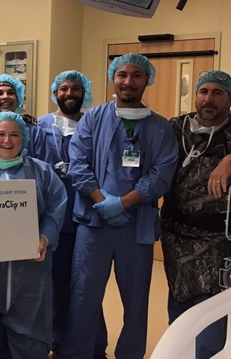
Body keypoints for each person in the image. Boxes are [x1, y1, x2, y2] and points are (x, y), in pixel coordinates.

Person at [60, 53, 178, 359]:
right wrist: (102, 202)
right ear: (113, 77)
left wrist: (123, 203)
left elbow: (161, 175)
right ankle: (77, 354)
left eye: (136, 75)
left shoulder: (162, 128)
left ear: (146, 80)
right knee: (83, 298)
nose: (128, 81)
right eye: (122, 74)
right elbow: (78, 164)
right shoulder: (93, 118)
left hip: (135, 228)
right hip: (93, 224)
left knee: (136, 303)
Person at [0, 111, 67, 359]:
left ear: (24, 138)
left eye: (15, 134)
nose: (8, 140)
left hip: (30, 276)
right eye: (1, 134)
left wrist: (44, 238)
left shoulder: (41, 171)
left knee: (30, 339)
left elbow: (56, 207)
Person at [161, 70, 231, 359]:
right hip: (177, 235)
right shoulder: (174, 128)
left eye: (217, 93)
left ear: (230, 98)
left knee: (213, 306)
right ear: (195, 95)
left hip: (220, 240)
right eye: (203, 91)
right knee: (181, 301)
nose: (209, 98)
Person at [37, 71, 108, 359]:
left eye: (76, 88)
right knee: (54, 286)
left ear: (84, 93)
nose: (69, 93)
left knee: (86, 286)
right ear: (55, 93)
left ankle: (94, 345)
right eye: (63, 88)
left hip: (86, 217)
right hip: (51, 219)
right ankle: (56, 340)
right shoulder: (39, 126)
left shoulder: (95, 126)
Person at [0, 74, 46, 159]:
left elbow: (44, 166)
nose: (5, 96)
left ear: (18, 99)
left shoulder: (34, 131)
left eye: (10, 93)